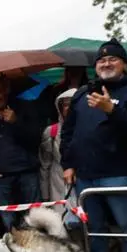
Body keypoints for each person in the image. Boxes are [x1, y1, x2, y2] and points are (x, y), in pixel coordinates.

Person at [61, 38, 127, 252]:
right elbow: (69, 133)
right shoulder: (82, 94)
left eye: (112, 59)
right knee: (93, 231)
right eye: (101, 60)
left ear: (123, 64)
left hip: (118, 173)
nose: (106, 63)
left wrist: (113, 109)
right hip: (86, 175)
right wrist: (68, 164)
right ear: (95, 66)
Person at [0, 76, 42, 232]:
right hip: (0, 177)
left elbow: (36, 138)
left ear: (6, 90)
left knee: (34, 218)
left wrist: (15, 122)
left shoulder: (25, 107)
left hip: (27, 171)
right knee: (9, 223)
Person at [39, 88, 80, 233]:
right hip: (57, 185)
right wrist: (45, 196)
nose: (70, 108)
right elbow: (45, 165)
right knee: (62, 226)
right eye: (66, 104)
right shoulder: (51, 132)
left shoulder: (92, 129)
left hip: (85, 181)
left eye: (74, 103)